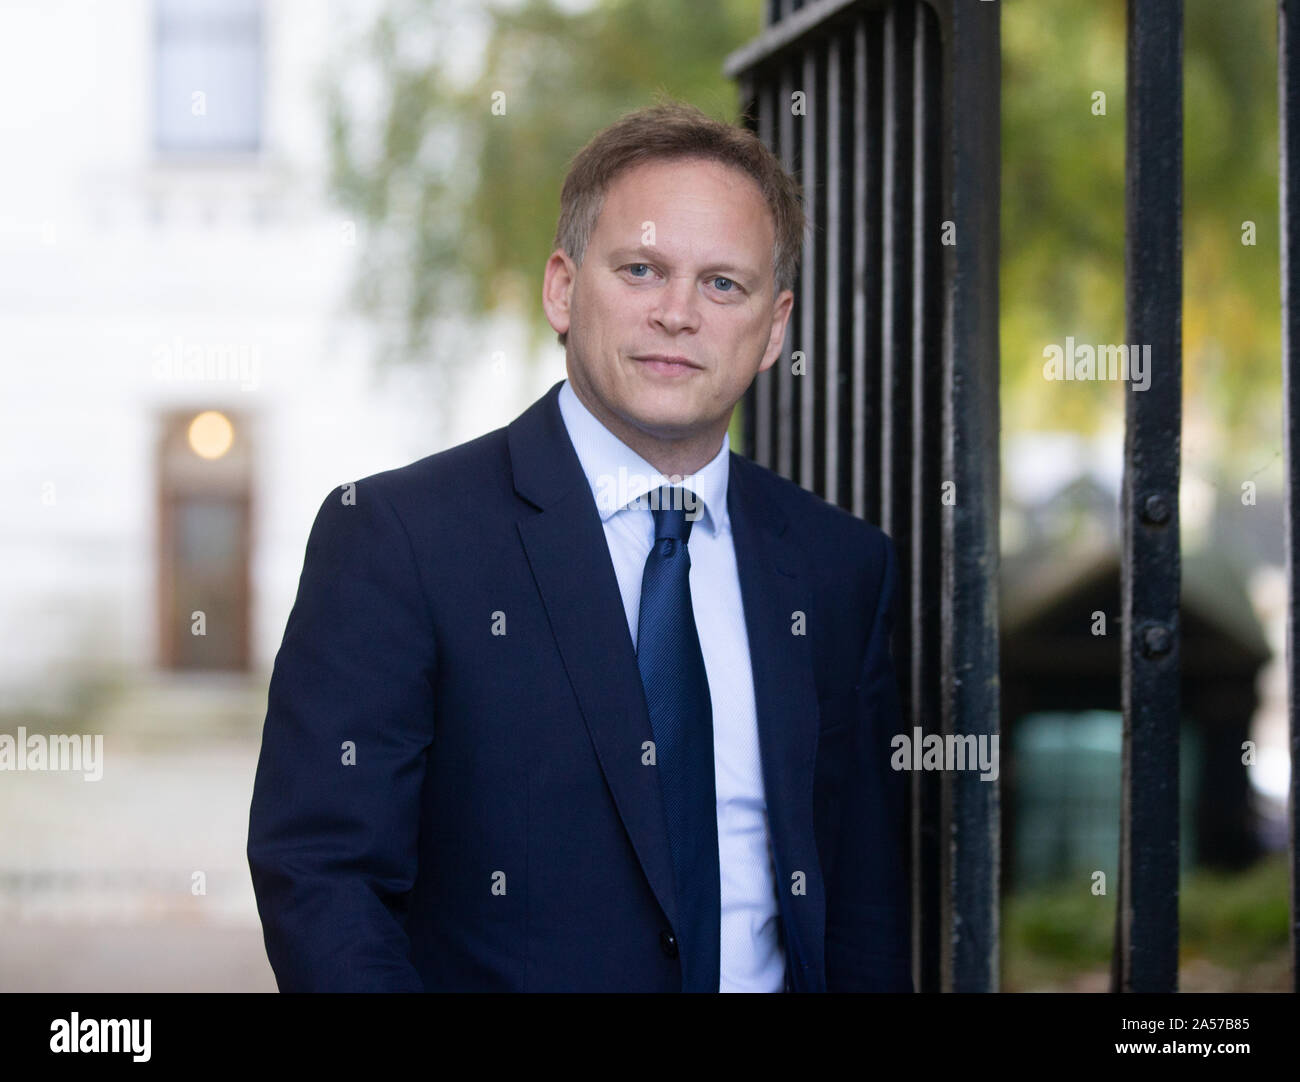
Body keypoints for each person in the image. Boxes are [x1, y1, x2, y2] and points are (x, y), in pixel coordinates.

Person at [246, 100, 911, 992]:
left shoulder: (839, 569)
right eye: (641, 269)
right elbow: (323, 875)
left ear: (775, 326)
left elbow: (862, 902)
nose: (679, 313)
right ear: (563, 288)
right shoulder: (400, 538)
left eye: (723, 284)